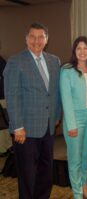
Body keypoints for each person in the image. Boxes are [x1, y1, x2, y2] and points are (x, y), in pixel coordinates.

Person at [3, 22, 61, 199]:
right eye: (33, 37)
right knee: (28, 175)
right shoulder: (16, 61)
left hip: (48, 127)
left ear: (46, 39)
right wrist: (17, 126)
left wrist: (57, 116)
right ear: (26, 39)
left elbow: (55, 92)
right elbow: (12, 96)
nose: (37, 41)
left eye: (41, 37)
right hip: (25, 130)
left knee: (46, 172)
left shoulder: (54, 61)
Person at [60, 36, 87, 199]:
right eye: (79, 48)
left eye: (86, 48)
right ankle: (77, 195)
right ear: (74, 51)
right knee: (74, 159)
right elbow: (66, 100)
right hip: (75, 118)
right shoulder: (67, 70)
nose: (82, 52)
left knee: (85, 156)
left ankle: (84, 188)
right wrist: (71, 125)